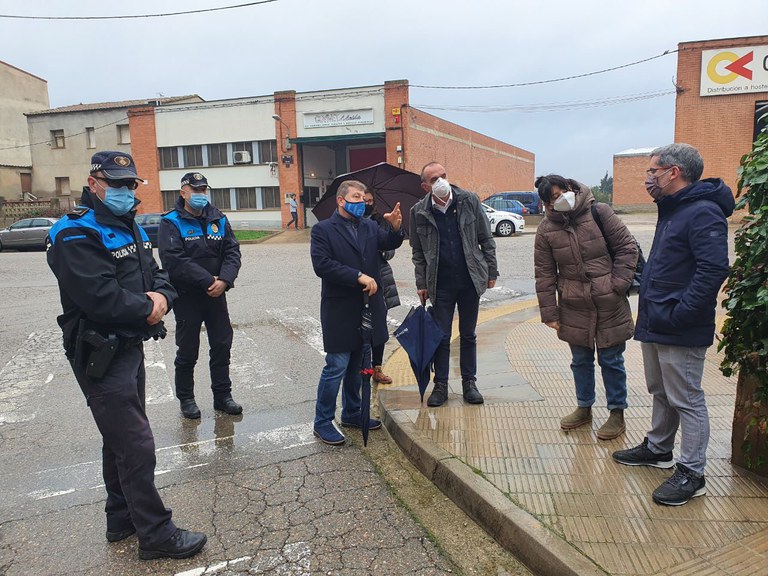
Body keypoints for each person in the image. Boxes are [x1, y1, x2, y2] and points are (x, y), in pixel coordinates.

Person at [46, 151, 206, 560]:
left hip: (129, 345)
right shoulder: (74, 232)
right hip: (99, 351)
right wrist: (149, 306)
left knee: (118, 439)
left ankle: (120, 518)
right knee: (136, 445)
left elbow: (159, 274)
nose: (125, 191)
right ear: (94, 183)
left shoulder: (128, 225)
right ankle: (156, 534)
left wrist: (162, 298)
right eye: (116, 183)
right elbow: (99, 296)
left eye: (130, 184)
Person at [612, 143, 734, 506]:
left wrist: (682, 314)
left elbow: (713, 269)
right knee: (661, 390)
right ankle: (658, 448)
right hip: (658, 319)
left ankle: (692, 473)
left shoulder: (703, 212)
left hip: (680, 324)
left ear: (673, 172)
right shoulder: (674, 209)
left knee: (686, 398)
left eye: (652, 171)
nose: (649, 178)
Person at [533, 174, 638, 440]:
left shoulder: (599, 212)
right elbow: (544, 273)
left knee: (611, 360)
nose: (556, 202)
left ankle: (617, 413)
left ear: (570, 188)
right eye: (550, 200)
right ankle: (584, 407)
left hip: (608, 301)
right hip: (573, 304)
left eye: (559, 195)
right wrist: (550, 312)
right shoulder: (546, 229)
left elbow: (627, 248)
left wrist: (617, 285)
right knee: (580, 361)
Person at [310, 180, 404, 445]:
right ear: (341, 200)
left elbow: (388, 244)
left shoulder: (370, 226)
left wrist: (395, 228)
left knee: (359, 364)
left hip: (368, 306)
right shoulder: (323, 230)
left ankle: (352, 412)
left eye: (363, 198)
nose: (361, 202)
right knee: (337, 365)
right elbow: (322, 265)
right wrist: (357, 276)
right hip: (340, 308)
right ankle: (322, 421)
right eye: (355, 197)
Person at [410, 162, 498, 407]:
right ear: (425, 186)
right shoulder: (419, 211)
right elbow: (418, 252)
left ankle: (469, 383)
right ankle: (440, 385)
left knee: (468, 334)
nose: (441, 181)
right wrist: (421, 283)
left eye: (443, 175)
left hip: (470, 279)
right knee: (441, 336)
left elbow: (486, 239)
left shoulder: (469, 200)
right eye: (434, 179)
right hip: (440, 283)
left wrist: (491, 271)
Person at [159, 172, 243, 419]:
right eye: (195, 190)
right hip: (188, 296)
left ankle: (222, 396)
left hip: (217, 295)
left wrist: (225, 280)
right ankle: (187, 399)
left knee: (221, 346)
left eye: (203, 190)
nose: (200, 194)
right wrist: (208, 281)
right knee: (187, 350)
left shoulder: (218, 218)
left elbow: (232, 252)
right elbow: (174, 260)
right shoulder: (171, 222)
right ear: (183, 193)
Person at [363, 188, 401, 384]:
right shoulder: (350, 224)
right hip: (360, 281)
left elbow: (390, 251)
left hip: (380, 278)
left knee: (379, 327)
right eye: (363, 200)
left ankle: (377, 368)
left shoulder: (379, 221)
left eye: (370, 201)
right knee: (361, 329)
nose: (367, 204)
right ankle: (363, 369)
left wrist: (378, 243)